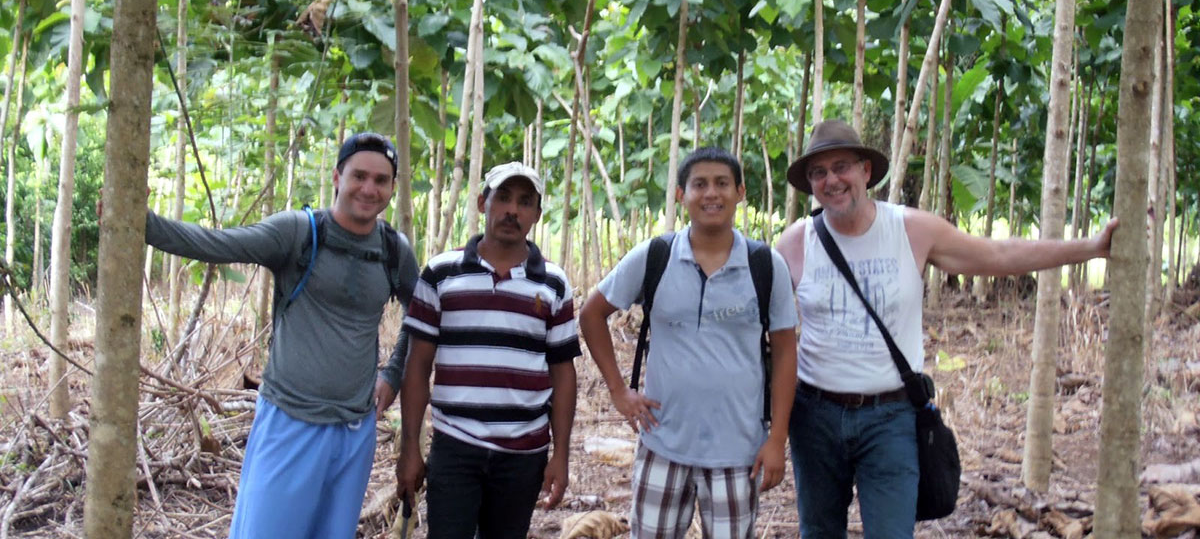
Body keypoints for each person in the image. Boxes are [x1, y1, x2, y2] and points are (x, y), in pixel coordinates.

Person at [775, 119, 1117, 538]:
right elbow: (755, 322)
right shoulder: (794, 243)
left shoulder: (910, 230)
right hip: (816, 418)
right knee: (818, 532)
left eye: (841, 166)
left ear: (866, 171)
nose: (832, 180)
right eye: (819, 173)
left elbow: (997, 254)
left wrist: (1090, 248)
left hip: (890, 416)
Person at [141, 132, 419, 539]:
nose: (369, 188)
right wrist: (142, 223)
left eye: (381, 180)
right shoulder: (299, 233)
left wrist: (393, 373)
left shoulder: (395, 249)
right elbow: (217, 244)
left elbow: (422, 315)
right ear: (338, 176)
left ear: (393, 187)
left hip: (355, 433)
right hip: (290, 423)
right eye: (359, 175)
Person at [578, 147, 799, 539]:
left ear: (740, 192)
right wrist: (618, 391)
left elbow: (784, 351)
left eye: (721, 184)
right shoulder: (655, 256)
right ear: (681, 195)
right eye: (699, 184)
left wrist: (777, 437)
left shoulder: (765, 265)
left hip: (739, 451)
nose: (711, 193)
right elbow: (592, 314)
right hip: (663, 444)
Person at [397, 162, 580, 539]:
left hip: (524, 453)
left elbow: (563, 374)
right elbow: (418, 366)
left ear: (537, 215)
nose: (512, 210)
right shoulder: (441, 274)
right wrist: (409, 449)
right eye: (503, 198)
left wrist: (560, 456)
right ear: (483, 203)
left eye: (525, 202)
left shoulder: (553, 283)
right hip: (455, 446)